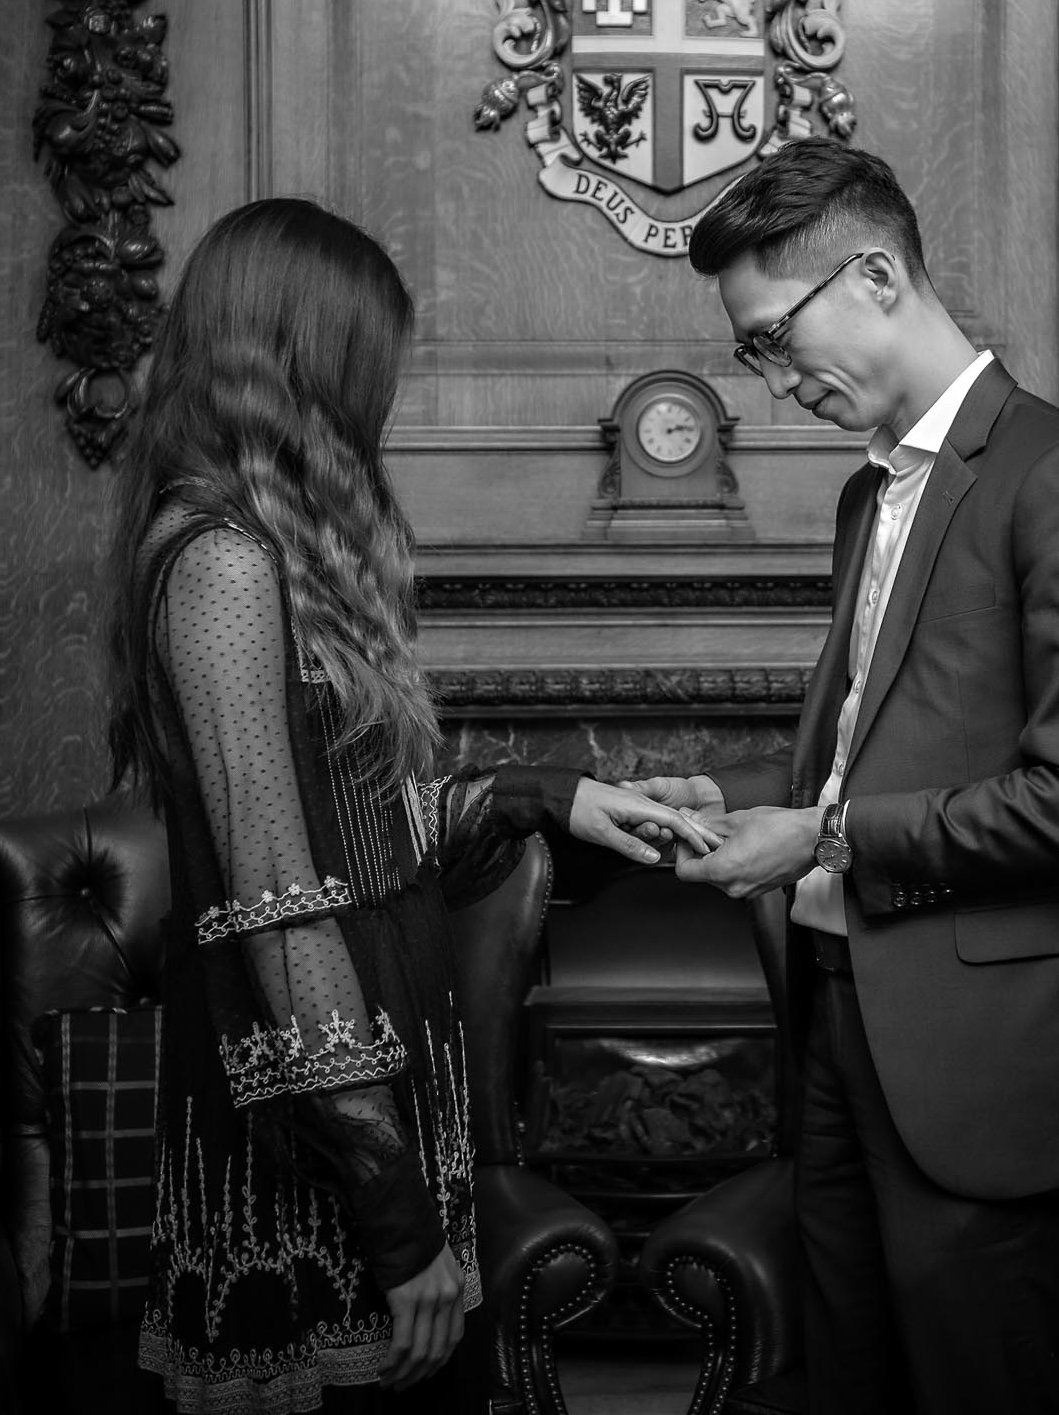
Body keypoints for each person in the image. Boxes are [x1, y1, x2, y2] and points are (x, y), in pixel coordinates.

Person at [106, 197, 714, 1413]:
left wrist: (566, 797)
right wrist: (394, 1222)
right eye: (368, 358)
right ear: (298, 351)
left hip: (372, 1093)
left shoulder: (279, 546)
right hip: (309, 1147)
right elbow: (277, 905)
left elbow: (369, 835)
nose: (378, 390)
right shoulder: (219, 558)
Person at [627, 139, 1059, 1415]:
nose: (767, 378)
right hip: (838, 1016)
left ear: (871, 273)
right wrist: (740, 793)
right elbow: (874, 739)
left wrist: (820, 833)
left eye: (771, 338)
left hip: (972, 1052)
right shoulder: (868, 497)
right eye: (749, 353)